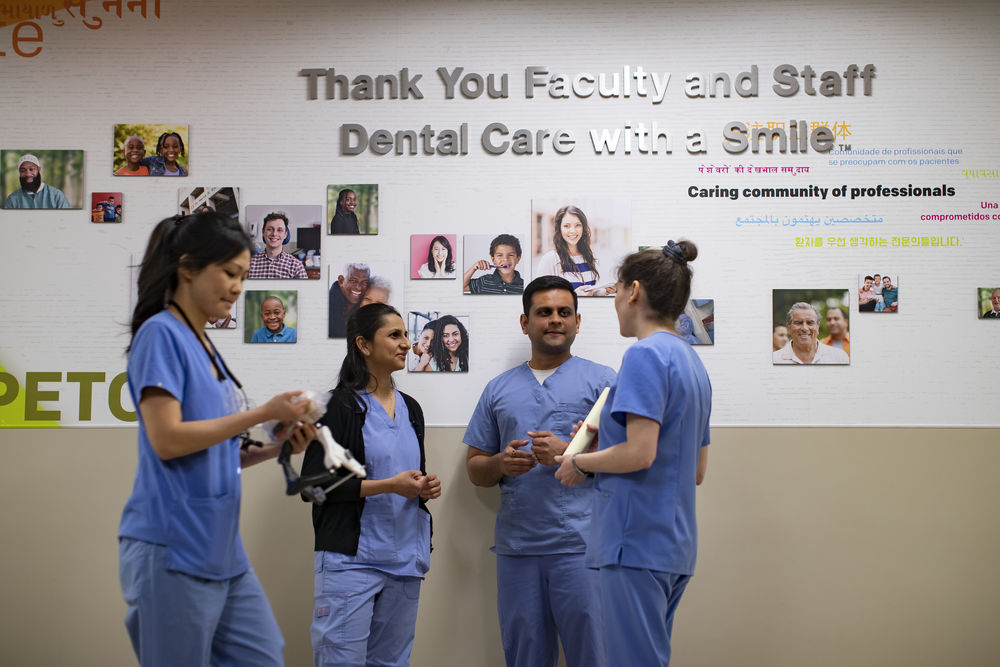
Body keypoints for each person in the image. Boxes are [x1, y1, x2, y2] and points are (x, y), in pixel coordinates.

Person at [117, 210, 316, 666]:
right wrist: (265, 412)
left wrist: (277, 447)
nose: (238, 287)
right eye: (229, 273)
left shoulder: (206, 344)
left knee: (264, 656)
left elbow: (216, 448)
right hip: (172, 545)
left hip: (222, 550)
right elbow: (168, 440)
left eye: (243, 275)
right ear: (187, 267)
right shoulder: (160, 334)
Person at [553, 240, 711, 667]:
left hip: (634, 543)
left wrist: (578, 462)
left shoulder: (644, 354)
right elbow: (695, 469)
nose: (616, 301)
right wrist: (605, 446)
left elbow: (641, 454)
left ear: (634, 291)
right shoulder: (692, 363)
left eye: (617, 290)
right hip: (673, 546)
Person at [464, 276, 616, 667]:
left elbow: (630, 460)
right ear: (525, 322)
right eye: (544, 312)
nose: (555, 320)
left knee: (594, 654)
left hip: (583, 548)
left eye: (564, 312)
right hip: (519, 549)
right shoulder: (498, 390)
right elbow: (476, 469)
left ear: (577, 322)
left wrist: (570, 452)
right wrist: (500, 464)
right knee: (525, 656)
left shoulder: (604, 383)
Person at [302, 303, 441, 667]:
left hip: (405, 560)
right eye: (394, 335)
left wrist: (423, 488)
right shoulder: (338, 406)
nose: (406, 343)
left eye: (406, 335)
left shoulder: (411, 409)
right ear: (363, 345)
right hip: (352, 562)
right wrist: (389, 486)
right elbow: (313, 485)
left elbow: (408, 479)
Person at [535, 205, 610, 296]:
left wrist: (604, 291)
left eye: (578, 225)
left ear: (583, 228)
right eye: (566, 226)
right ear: (559, 229)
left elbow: (590, 292)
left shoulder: (589, 256)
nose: (573, 231)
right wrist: (573, 295)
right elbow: (539, 296)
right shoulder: (550, 259)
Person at [772, 302, 849, 365]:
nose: (805, 328)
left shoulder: (840, 358)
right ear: (788, 328)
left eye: (810, 323)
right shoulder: (774, 360)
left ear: (818, 327)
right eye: (798, 323)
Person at [248, 212, 308, 279]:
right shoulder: (249, 264)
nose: (274, 234)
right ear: (263, 232)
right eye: (270, 229)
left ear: (285, 234)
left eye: (279, 230)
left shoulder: (296, 266)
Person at [3, 154, 71, 209]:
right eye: (23, 170)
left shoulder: (56, 196)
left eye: (31, 169)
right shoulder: (12, 199)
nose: (28, 174)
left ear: (39, 170)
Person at [328, 263, 370, 338]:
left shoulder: (366, 304)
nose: (359, 287)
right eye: (353, 281)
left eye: (364, 282)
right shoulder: (327, 304)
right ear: (341, 280)